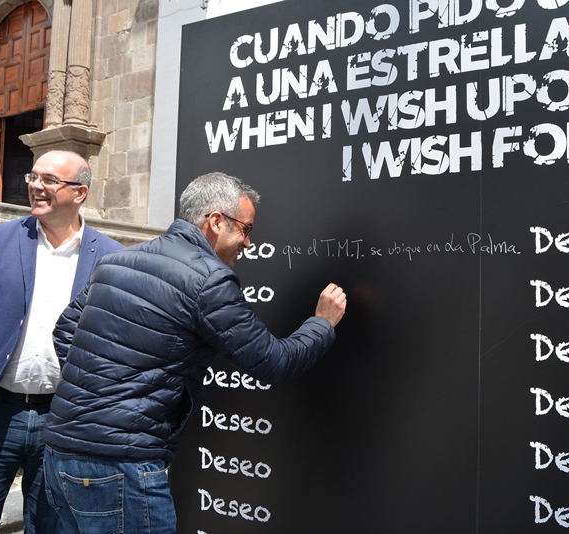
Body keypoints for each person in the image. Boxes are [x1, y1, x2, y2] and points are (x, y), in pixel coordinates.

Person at [43, 171, 346, 533]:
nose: (249, 243)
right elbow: (274, 362)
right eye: (246, 229)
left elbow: (64, 331)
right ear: (216, 222)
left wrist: (95, 388)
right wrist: (322, 323)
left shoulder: (117, 262)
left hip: (59, 454)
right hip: (121, 465)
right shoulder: (209, 280)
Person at [0, 150, 123, 533]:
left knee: (48, 527)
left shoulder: (112, 258)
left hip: (64, 421)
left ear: (80, 193)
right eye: (34, 177)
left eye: (50, 180)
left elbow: (116, 346)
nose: (37, 186)